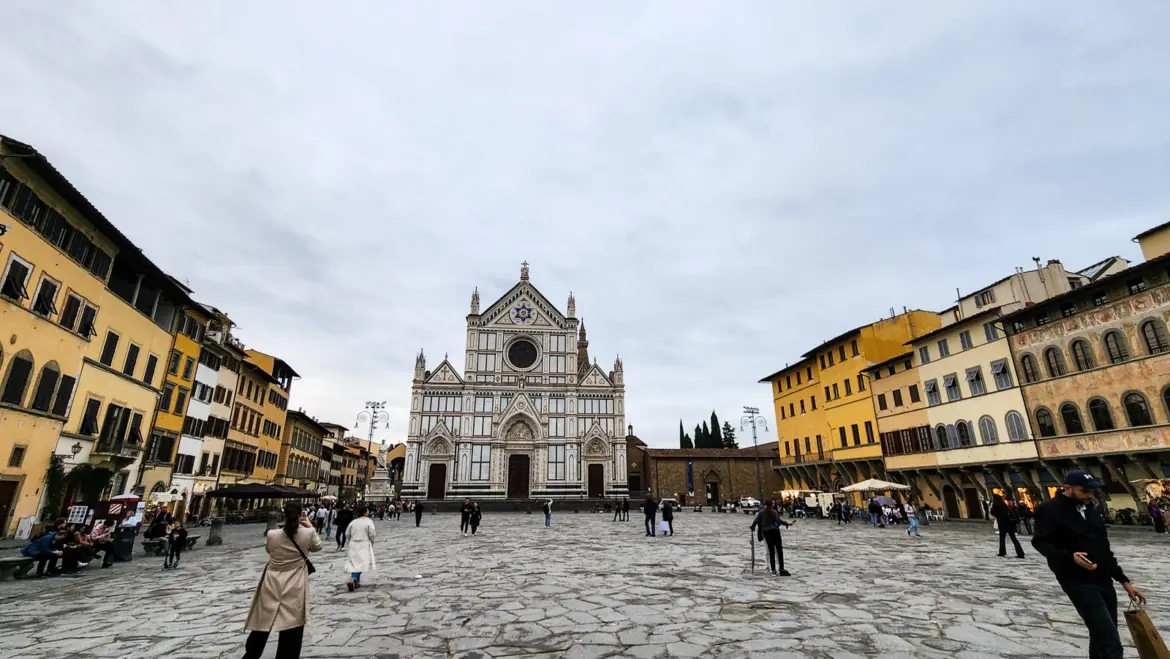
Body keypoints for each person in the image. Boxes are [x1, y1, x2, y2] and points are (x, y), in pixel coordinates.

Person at [1032, 470, 1145, 659]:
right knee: (1111, 642)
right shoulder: (1049, 509)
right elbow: (1040, 542)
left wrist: (1124, 581)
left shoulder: (1091, 510)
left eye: (1092, 491)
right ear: (1068, 489)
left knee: (1101, 634)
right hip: (1077, 581)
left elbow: (1104, 549)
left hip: (1103, 578)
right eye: (1085, 491)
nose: (1090, 496)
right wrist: (1069, 557)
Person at [243, 502, 322, 659]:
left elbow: (268, 549)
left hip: (271, 583)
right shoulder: (309, 533)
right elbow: (317, 547)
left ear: (283, 515)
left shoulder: (272, 534)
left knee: (262, 623)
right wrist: (309, 526)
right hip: (295, 584)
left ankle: (251, 654)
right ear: (301, 514)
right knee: (292, 625)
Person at [751, 500, 794, 575]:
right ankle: (781, 569)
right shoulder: (774, 512)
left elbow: (755, 522)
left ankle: (773, 570)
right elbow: (779, 521)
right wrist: (787, 524)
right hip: (775, 532)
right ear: (771, 505)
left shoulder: (761, 513)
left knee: (771, 552)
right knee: (779, 551)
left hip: (767, 533)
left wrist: (753, 528)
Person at [344, 505, 376, 592]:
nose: (368, 512)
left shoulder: (353, 522)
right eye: (367, 511)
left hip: (353, 544)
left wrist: (350, 541)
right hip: (364, 544)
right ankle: (353, 579)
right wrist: (371, 543)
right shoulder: (369, 522)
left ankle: (355, 581)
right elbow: (372, 534)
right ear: (365, 513)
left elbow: (347, 533)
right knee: (361, 564)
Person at [990, 494, 1025, 559]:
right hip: (1010, 524)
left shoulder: (996, 505)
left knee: (1002, 539)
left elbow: (993, 513)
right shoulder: (1004, 504)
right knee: (1014, 539)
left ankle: (1002, 552)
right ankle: (1020, 553)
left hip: (1002, 524)